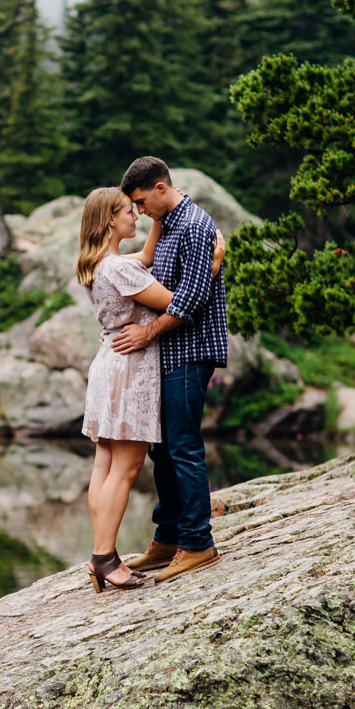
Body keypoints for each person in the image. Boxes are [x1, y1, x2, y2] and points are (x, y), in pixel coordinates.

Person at [75, 186, 223, 593]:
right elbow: (177, 301)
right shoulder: (119, 269)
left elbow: (143, 259)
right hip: (130, 371)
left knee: (104, 464)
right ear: (109, 219)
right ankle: (104, 558)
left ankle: (100, 555)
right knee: (125, 469)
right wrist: (212, 264)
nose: (135, 217)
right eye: (129, 211)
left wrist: (157, 220)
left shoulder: (100, 263)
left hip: (108, 365)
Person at [112, 156, 228, 583]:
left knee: (182, 445)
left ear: (161, 188)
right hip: (168, 353)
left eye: (142, 202)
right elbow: (161, 283)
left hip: (190, 351)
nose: (140, 212)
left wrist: (145, 335)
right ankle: (168, 536)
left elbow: (193, 298)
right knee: (161, 447)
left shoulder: (196, 225)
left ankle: (198, 543)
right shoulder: (170, 225)